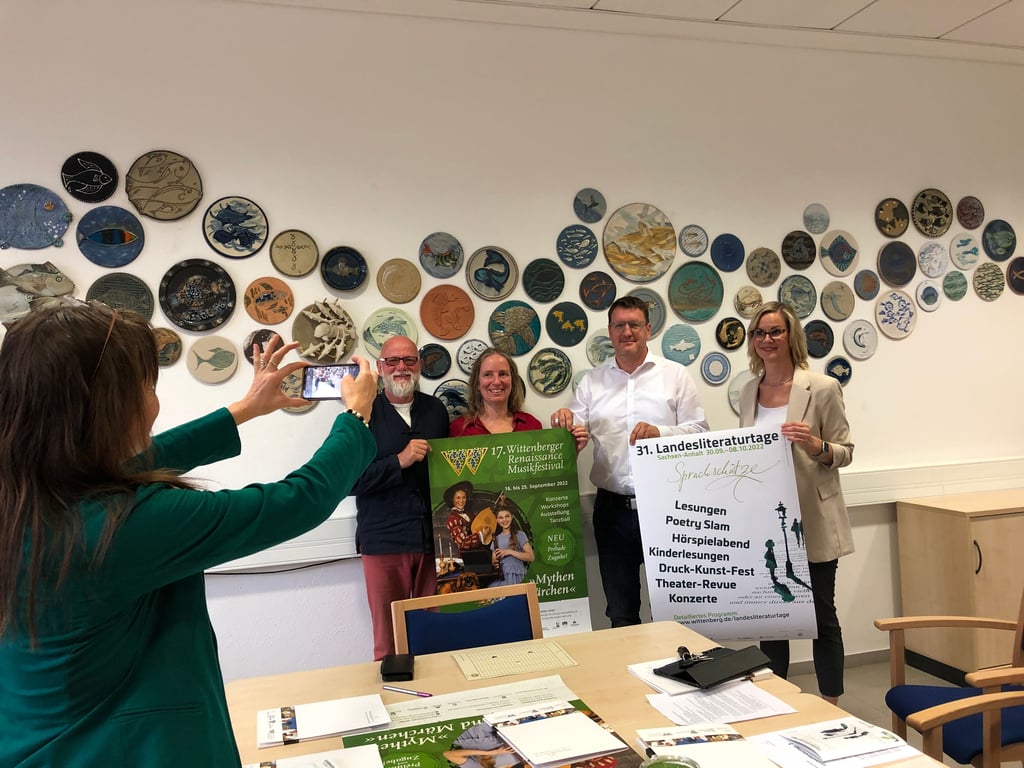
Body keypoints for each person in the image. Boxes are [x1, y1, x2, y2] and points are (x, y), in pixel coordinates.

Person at [0, 301, 377, 767]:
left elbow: (143, 460)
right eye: (147, 384)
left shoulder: (29, 495)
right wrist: (356, 416)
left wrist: (246, 408)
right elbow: (299, 501)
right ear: (110, 407)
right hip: (113, 749)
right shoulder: (126, 524)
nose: (152, 399)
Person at [551, 295, 708, 627]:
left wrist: (661, 433)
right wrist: (565, 423)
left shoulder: (676, 375)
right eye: (619, 325)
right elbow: (573, 433)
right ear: (610, 332)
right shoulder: (591, 382)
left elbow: (699, 432)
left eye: (634, 324)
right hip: (612, 513)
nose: (627, 332)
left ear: (648, 329)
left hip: (667, 508)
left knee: (673, 611)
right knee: (621, 612)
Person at [738, 300, 854, 705]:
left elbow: (845, 451)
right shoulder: (748, 390)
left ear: (791, 337)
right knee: (773, 618)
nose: (767, 340)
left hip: (814, 518)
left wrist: (814, 444)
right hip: (767, 522)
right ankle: (776, 703)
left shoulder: (821, 387)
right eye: (759, 333)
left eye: (775, 331)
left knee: (822, 616)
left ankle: (830, 706)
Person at [351, 335, 450, 660]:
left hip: (434, 541)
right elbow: (349, 480)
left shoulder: (436, 410)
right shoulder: (360, 414)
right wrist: (399, 461)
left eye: (409, 360)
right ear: (379, 368)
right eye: (392, 361)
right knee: (389, 642)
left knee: (435, 634)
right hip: (384, 540)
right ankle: (391, 705)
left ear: (419, 366)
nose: (401, 367)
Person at [449, 347, 588, 452]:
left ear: (512, 381)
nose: (496, 381)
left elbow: (547, 478)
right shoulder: (459, 429)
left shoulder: (531, 425)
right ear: (477, 384)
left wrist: (572, 450)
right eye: (488, 374)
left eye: (503, 374)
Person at [491, 506, 534, 585]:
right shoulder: (496, 539)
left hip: (517, 575)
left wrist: (509, 552)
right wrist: (495, 561)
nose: (504, 520)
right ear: (497, 520)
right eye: (501, 518)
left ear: (512, 517)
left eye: (507, 516)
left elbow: (530, 557)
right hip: (501, 577)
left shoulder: (520, 534)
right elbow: (494, 561)